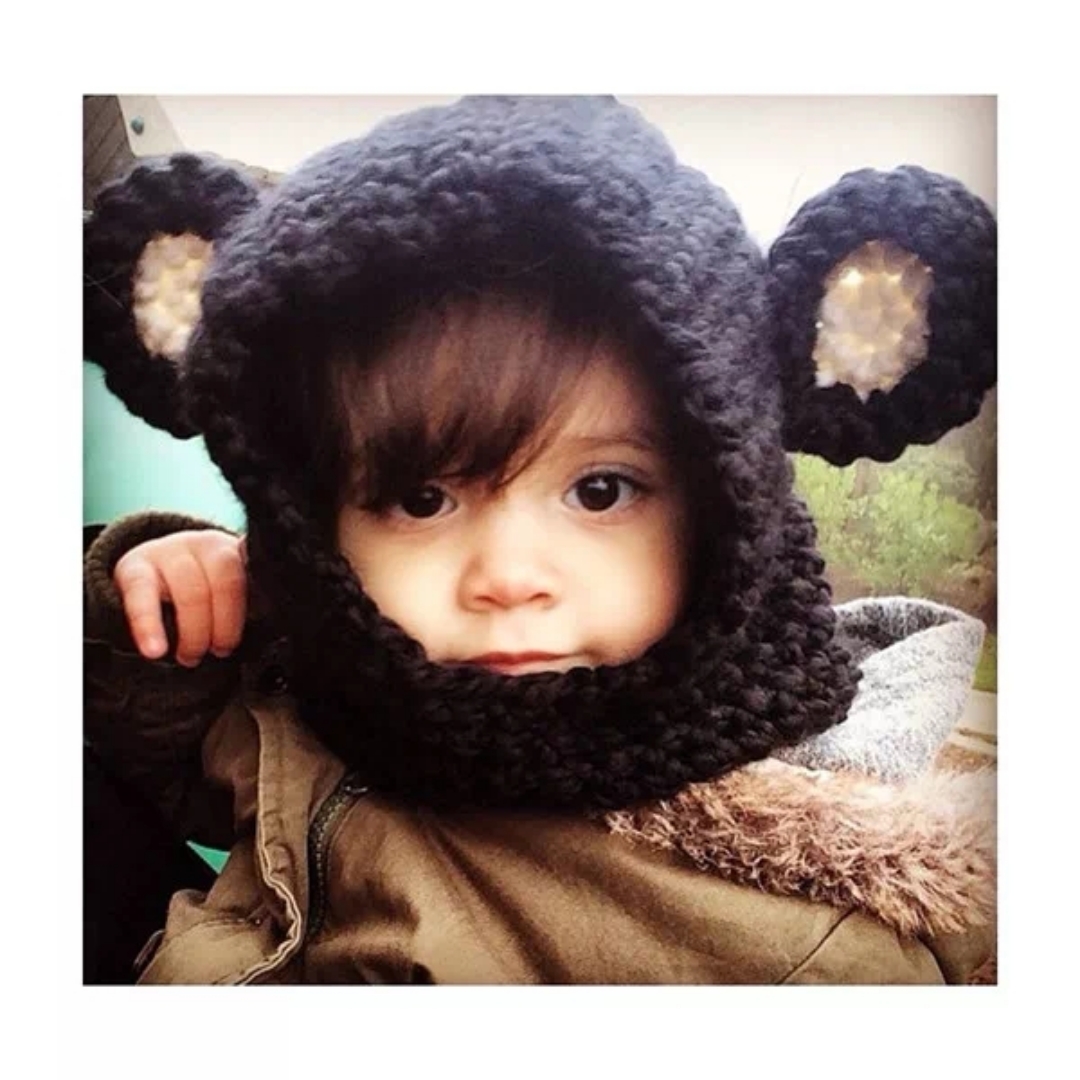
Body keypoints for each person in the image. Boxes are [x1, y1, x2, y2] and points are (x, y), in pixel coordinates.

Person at [83, 95, 997, 984]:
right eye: (422, 499)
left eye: (601, 491)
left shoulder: (798, 944)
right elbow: (156, 762)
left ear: (727, 511)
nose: (509, 576)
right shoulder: (330, 695)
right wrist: (178, 617)